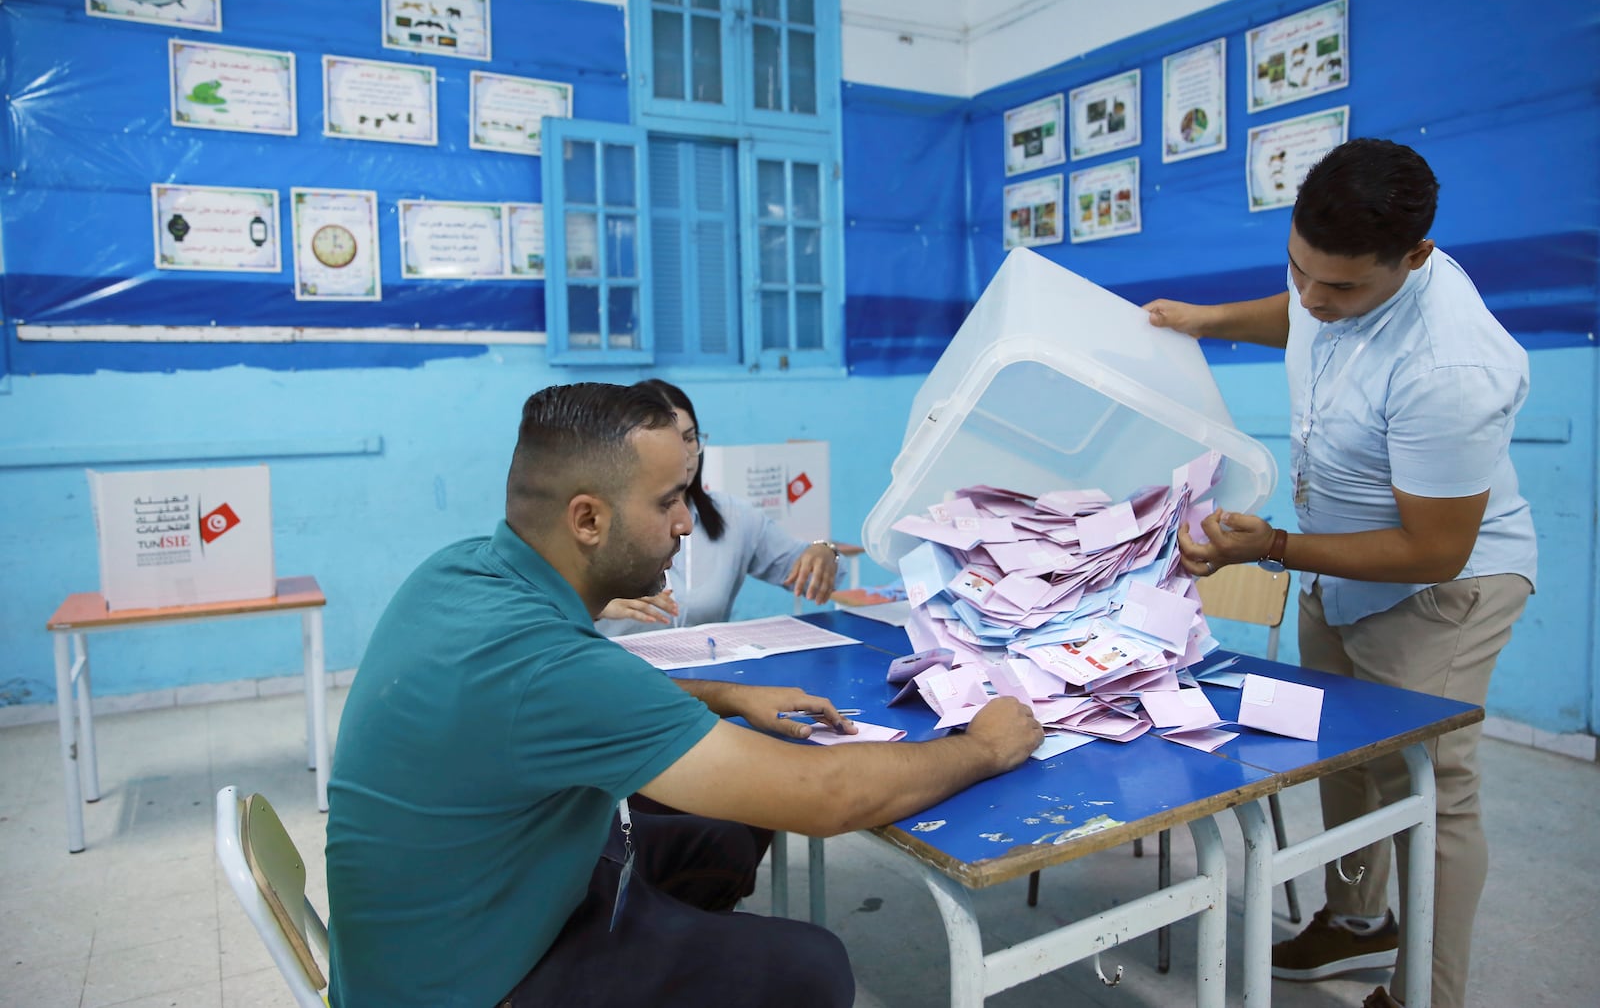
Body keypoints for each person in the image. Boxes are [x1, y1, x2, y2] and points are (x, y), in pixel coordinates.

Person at [325, 382, 1043, 1008]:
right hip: (474, 985)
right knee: (812, 968)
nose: (683, 522)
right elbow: (827, 796)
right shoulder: (547, 665)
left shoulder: (463, 572)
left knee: (723, 835)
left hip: (453, 922)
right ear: (587, 518)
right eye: (669, 501)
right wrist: (983, 745)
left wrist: (728, 694)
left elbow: (580, 703)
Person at [1146, 138, 1536, 1008]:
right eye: (1300, 269)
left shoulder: (1451, 365)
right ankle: (1358, 921)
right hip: (1342, 560)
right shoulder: (1333, 280)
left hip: (1444, 587)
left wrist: (1274, 547)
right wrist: (1205, 321)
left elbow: (1434, 548)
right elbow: (1303, 314)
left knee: (1430, 787)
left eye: (1345, 287)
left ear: (1416, 258)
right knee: (1341, 755)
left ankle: (1426, 993)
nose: (1317, 299)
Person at [597, 378, 840, 636]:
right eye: (667, 443)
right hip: (616, 670)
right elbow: (553, 605)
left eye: (689, 439)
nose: (683, 454)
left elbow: (809, 569)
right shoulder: (596, 521)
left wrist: (825, 552)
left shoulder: (734, 517)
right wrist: (595, 606)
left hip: (705, 671)